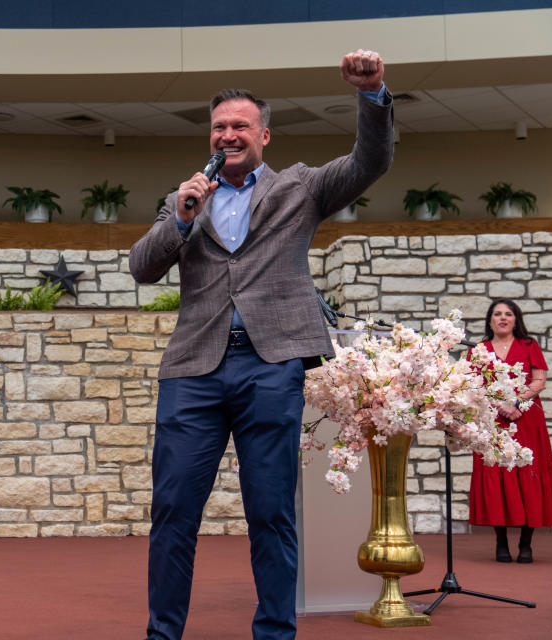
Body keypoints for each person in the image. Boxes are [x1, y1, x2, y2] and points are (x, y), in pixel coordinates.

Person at [129, 50, 394, 640]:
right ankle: (161, 633)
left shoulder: (301, 188)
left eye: (240, 126)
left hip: (270, 367)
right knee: (172, 513)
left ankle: (275, 632)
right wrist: (177, 218)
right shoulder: (185, 199)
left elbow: (369, 161)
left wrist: (372, 94)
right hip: (193, 371)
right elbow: (142, 269)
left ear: (264, 135)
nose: (228, 135)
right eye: (219, 126)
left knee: (271, 513)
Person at [469, 299, 552, 563]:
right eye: (497, 314)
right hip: (493, 420)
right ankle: (501, 543)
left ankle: (526, 544)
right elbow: (473, 385)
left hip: (528, 418)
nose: (502, 318)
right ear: (490, 320)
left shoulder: (529, 345)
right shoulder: (479, 350)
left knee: (528, 474)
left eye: (508, 314)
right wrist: (500, 405)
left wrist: (517, 402)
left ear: (516, 319)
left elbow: (539, 380)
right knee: (498, 474)